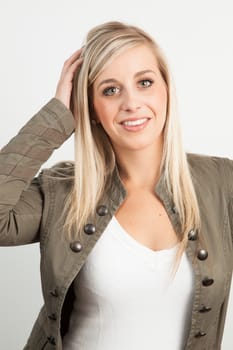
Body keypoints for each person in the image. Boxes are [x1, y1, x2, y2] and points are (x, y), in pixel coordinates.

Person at [0, 21, 232, 350]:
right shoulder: (63, 190)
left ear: (166, 88)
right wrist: (56, 117)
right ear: (91, 108)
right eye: (110, 89)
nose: (131, 102)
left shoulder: (221, 182)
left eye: (145, 82)